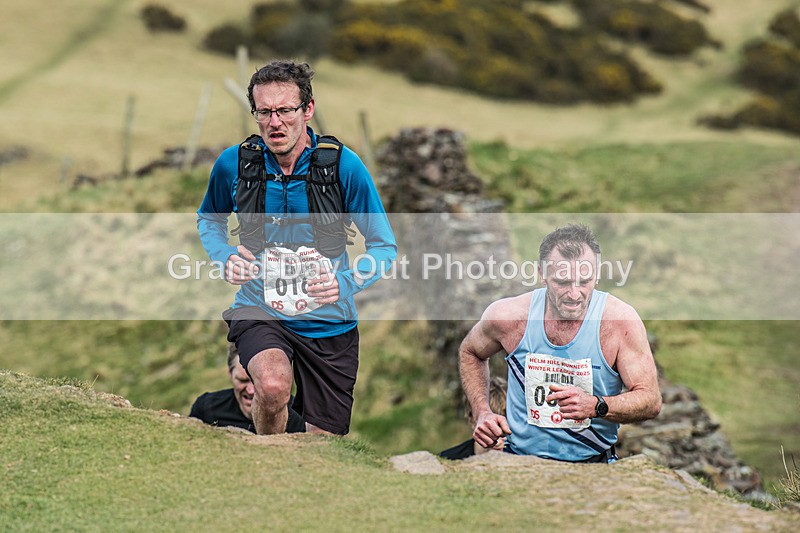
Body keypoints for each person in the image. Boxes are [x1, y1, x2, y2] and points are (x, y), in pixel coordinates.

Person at [197, 60, 397, 436]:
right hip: (259, 306)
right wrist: (225, 256)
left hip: (329, 322)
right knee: (272, 388)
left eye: (285, 110)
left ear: (308, 110)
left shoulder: (343, 167)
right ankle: (268, 470)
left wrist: (348, 281)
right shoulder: (234, 165)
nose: (275, 123)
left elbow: (384, 246)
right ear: (254, 113)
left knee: (323, 443)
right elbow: (209, 219)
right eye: (264, 112)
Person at [459, 224, 661, 463]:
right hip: (518, 461)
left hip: (591, 464)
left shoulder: (620, 323)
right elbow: (470, 351)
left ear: (597, 275)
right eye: (562, 282)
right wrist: (482, 411)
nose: (574, 294)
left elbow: (651, 400)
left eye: (583, 281)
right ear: (542, 274)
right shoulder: (509, 316)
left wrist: (596, 406)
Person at [189, 343, 305, 433]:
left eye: (257, 382)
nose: (250, 390)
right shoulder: (207, 407)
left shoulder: (299, 415)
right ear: (230, 373)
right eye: (242, 380)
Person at [439, 376, 507, 460]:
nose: (497, 435)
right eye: (488, 425)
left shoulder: (524, 457)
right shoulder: (447, 460)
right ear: (472, 419)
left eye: (503, 425)